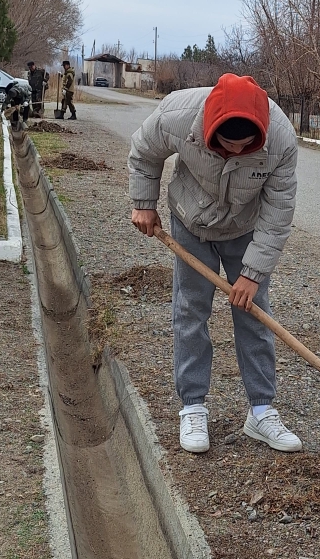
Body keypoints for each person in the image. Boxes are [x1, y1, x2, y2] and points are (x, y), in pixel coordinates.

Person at [128, 72, 303, 455]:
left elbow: (278, 214)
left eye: (245, 149)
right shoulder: (178, 115)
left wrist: (253, 275)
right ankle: (192, 407)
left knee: (253, 313)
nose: (235, 155)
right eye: (227, 146)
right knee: (191, 310)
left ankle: (261, 410)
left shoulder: (281, 139)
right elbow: (143, 152)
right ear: (209, 128)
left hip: (245, 227)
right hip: (191, 220)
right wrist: (144, 203)